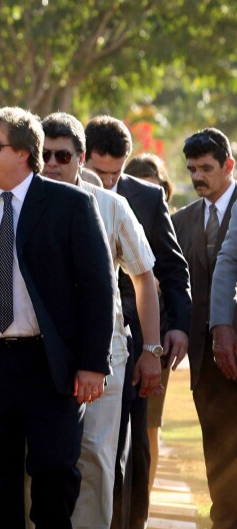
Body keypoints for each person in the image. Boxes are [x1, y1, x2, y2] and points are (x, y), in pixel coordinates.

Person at [0, 107, 115, 529]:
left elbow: (99, 289)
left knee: (56, 474)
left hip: (50, 368)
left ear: (23, 152)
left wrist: (93, 363)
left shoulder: (71, 206)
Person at [40, 112, 160, 529]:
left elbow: (145, 278)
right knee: (43, 466)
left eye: (62, 156)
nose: (52, 164)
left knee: (95, 463)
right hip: (39, 361)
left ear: (81, 157)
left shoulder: (109, 206)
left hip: (107, 355)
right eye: (44, 155)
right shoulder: (18, 204)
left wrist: (150, 349)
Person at [84, 115, 191, 529]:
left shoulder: (145, 198)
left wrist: (174, 328)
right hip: (82, 341)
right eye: (100, 171)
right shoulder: (59, 194)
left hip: (138, 342)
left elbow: (171, 268)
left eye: (116, 172)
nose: (109, 182)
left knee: (131, 451)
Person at [187, 128, 237, 529]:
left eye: (206, 168)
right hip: (207, 362)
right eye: (192, 170)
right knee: (218, 449)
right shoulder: (183, 219)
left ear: (228, 166)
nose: (198, 177)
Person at [125, 151, 178, 496]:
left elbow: (174, 274)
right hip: (121, 328)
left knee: (148, 427)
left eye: (154, 187)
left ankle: (144, 495)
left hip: (153, 334)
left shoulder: (162, 218)